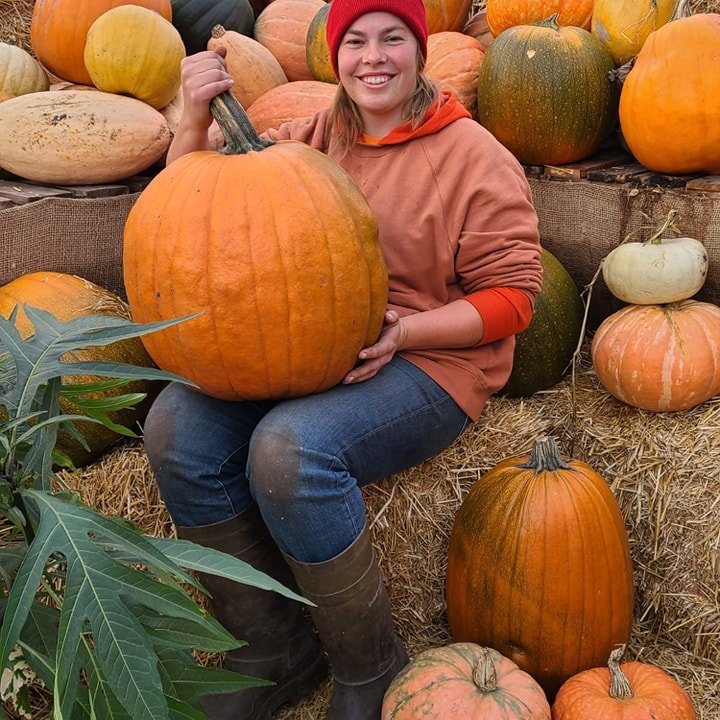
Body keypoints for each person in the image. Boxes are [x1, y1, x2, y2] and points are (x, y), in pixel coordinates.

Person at [143, 0, 543, 718]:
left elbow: (514, 298)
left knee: (288, 450)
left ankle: (368, 666)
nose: (374, 57)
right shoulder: (318, 135)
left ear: (420, 50)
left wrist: (407, 334)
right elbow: (196, 203)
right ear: (335, 54)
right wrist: (195, 120)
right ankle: (271, 646)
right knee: (176, 426)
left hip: (430, 361)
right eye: (356, 41)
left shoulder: (470, 154)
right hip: (315, 350)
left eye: (393, 38)